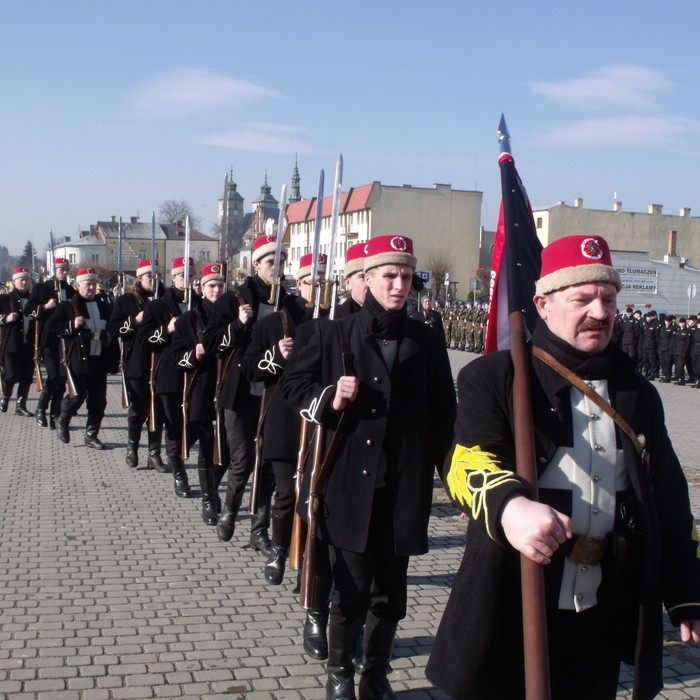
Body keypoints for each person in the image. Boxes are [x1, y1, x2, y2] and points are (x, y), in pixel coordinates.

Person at [426, 235, 700, 700]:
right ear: (543, 304)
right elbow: (464, 462)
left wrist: (686, 592)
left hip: (603, 604)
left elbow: (669, 495)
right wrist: (509, 506)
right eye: (582, 299)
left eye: (608, 299)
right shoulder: (495, 378)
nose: (600, 312)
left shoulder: (637, 391)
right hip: (513, 598)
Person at [284, 234, 456, 700]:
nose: (400, 285)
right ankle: (340, 671)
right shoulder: (334, 332)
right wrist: (329, 399)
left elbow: (444, 415)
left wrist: (457, 483)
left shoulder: (426, 339)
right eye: (389, 276)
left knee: (391, 597)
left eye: (406, 276)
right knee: (352, 591)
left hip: (404, 487)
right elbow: (293, 388)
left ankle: (376, 672)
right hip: (348, 487)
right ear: (368, 278)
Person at [205, 234, 298, 556]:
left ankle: (259, 530)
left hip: (275, 396)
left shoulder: (289, 301)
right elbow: (213, 343)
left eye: (281, 262)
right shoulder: (235, 299)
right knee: (242, 460)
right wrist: (238, 324)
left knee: (269, 466)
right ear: (256, 264)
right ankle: (230, 509)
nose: (277, 268)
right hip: (240, 391)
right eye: (271, 262)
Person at [136, 256, 199, 496]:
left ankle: (177, 455)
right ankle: (180, 474)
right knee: (173, 425)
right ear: (173, 278)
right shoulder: (158, 306)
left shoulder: (199, 303)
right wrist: (168, 329)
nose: (187, 279)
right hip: (169, 373)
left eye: (191, 275)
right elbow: (143, 340)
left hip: (196, 374)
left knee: (194, 424)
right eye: (182, 275)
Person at [168, 263, 227, 524]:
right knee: (205, 447)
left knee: (227, 449)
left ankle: (212, 490)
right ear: (201, 289)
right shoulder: (190, 319)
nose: (216, 290)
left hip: (229, 389)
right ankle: (210, 501)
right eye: (211, 285)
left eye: (220, 285)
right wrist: (193, 355)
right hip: (201, 390)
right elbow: (175, 359)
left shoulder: (233, 315)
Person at [107, 259, 168, 472]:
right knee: (139, 409)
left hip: (161, 362)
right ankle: (132, 447)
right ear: (139, 278)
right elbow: (114, 330)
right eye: (149, 276)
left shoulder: (163, 299)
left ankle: (154, 453)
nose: (153, 280)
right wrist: (135, 320)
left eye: (156, 276)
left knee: (157, 410)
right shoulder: (125, 301)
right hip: (137, 362)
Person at [47, 268, 118, 448]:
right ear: (78, 285)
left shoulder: (104, 305)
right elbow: (51, 326)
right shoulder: (68, 305)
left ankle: (91, 435)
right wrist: (71, 325)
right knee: (76, 396)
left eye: (94, 284)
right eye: (88, 284)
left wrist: (115, 359)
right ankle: (62, 420)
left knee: (99, 401)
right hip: (78, 359)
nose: (92, 288)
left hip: (99, 359)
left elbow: (111, 330)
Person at [26, 257, 75, 428]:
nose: (64, 272)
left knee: (62, 379)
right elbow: (28, 311)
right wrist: (45, 307)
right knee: (53, 376)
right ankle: (41, 408)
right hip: (48, 340)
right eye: (61, 269)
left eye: (66, 269)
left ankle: (55, 414)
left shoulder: (70, 291)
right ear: (54, 270)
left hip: (65, 341)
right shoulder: (42, 288)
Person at [0, 267, 36, 415]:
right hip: (11, 344)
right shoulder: (5, 299)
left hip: (28, 344)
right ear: (14, 281)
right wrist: (5, 319)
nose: (24, 282)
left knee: (27, 376)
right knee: (11, 374)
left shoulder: (33, 300)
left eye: (26, 279)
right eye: (21, 279)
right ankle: (6, 396)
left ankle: (21, 405)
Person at [335, 242, 367, 318]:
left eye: (374, 276)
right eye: (362, 277)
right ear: (348, 283)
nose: (369, 283)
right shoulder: (338, 320)